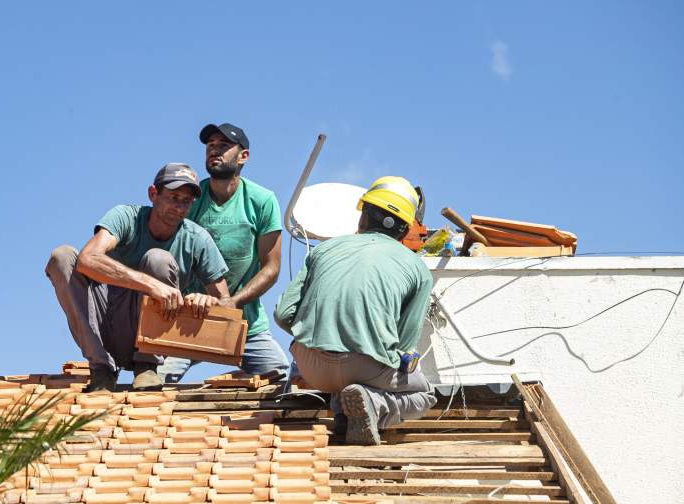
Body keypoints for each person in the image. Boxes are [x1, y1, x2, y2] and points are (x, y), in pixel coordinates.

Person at [273, 176, 437, 445]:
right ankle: (374, 405)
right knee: (425, 394)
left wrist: (315, 332)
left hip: (311, 366)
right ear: (405, 228)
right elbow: (405, 346)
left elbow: (283, 314)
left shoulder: (325, 249)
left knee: (353, 384)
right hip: (366, 367)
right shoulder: (417, 269)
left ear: (363, 215)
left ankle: (346, 417)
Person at [45, 163, 230, 392]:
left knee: (158, 259)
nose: (179, 207)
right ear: (153, 194)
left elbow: (226, 303)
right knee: (61, 257)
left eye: (186, 201)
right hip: (101, 324)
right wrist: (151, 285)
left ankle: (147, 366)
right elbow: (88, 259)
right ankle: (101, 368)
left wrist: (207, 301)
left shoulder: (196, 238)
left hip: (147, 336)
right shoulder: (126, 217)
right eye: (173, 197)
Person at [156, 123, 290, 383]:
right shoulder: (192, 199)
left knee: (281, 378)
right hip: (186, 318)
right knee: (156, 382)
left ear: (244, 156)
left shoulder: (262, 201)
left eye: (224, 145)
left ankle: (234, 375)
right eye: (210, 146)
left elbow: (271, 268)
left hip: (243, 320)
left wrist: (232, 302)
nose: (214, 150)